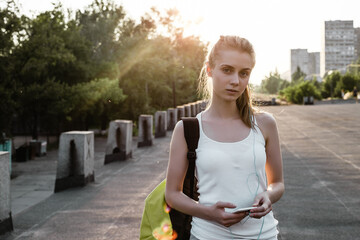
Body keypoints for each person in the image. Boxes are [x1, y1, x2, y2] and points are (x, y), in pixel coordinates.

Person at [165, 35, 284, 240]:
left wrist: (268, 195)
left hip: (265, 236)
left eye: (244, 73)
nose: (236, 81)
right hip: (207, 235)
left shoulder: (265, 124)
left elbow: (278, 183)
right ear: (210, 69)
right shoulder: (188, 129)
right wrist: (209, 213)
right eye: (227, 70)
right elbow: (172, 195)